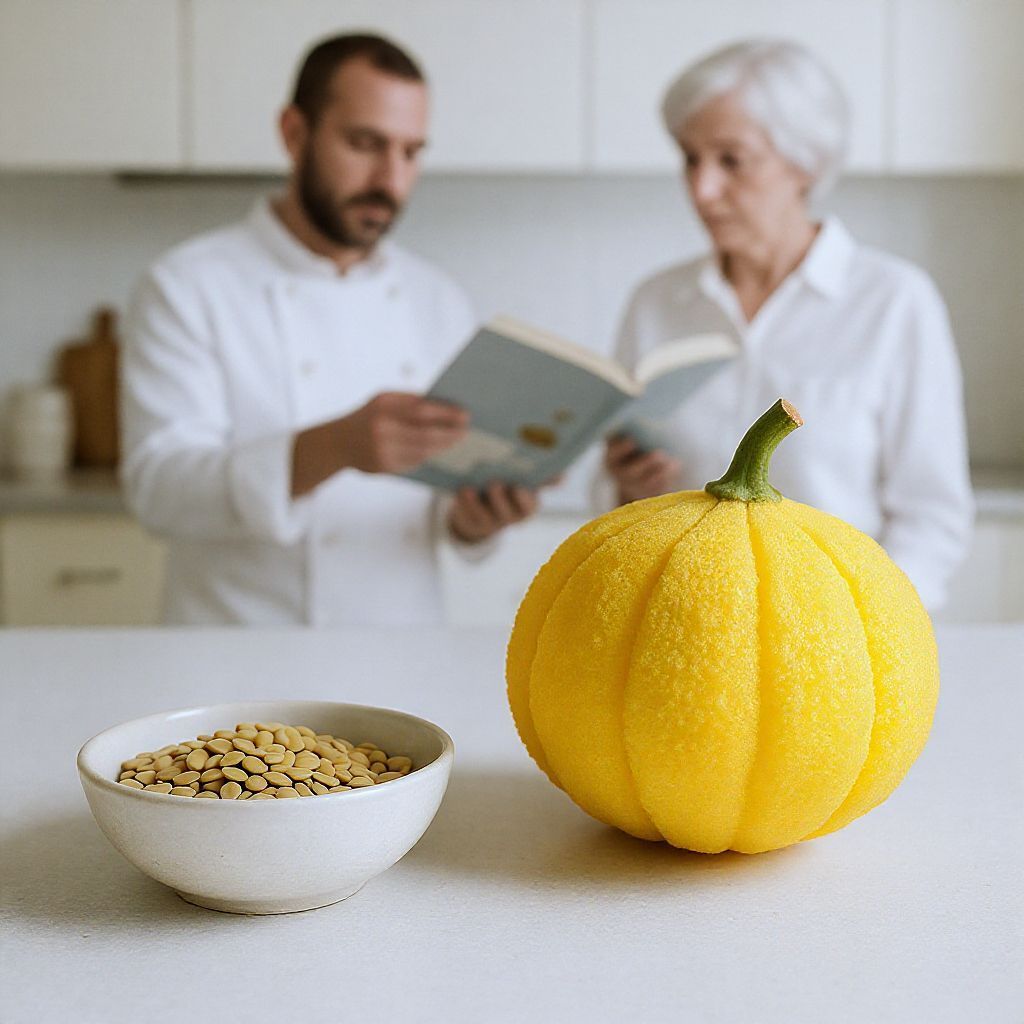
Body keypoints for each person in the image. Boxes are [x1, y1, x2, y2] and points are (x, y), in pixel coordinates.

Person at [123, 34, 541, 626]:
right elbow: (159, 492)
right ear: (295, 133)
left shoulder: (438, 299)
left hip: (402, 653)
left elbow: (439, 508)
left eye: (410, 152)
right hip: (237, 657)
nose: (390, 180)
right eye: (365, 143)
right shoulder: (187, 285)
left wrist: (473, 519)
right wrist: (334, 447)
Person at [600, 39, 973, 610]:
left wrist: (866, 624)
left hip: (838, 639)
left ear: (805, 163)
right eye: (690, 158)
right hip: (681, 622)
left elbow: (933, 516)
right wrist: (626, 489)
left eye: (731, 159)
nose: (702, 190)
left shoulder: (895, 302)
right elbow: (609, 509)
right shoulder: (655, 302)